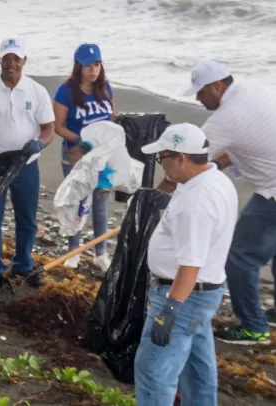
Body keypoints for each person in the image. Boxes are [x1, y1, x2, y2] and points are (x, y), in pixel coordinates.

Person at [169, 59, 276, 344]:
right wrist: (211, 168)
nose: (197, 98)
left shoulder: (224, 119)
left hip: (273, 191)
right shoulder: (251, 90)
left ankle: (254, 326)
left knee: (240, 257)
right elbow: (231, 151)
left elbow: (185, 164)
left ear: (217, 86)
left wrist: (157, 196)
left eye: (201, 91)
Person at [134, 123, 238, 406]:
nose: (161, 166)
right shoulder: (214, 180)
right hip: (205, 292)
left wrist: (169, 309)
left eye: (162, 159)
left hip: (184, 295)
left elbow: (190, 265)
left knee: (153, 371)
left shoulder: (197, 202)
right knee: (196, 371)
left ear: (180, 157)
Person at [0, 37, 55, 287]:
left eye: (16, 58)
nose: (11, 64)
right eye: (7, 58)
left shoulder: (37, 91)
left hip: (26, 165)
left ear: (24, 60)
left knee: (26, 217)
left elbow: (49, 128)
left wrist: (41, 142)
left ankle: (23, 265)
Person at [53, 43, 115, 272]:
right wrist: (82, 140)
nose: (93, 70)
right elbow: (58, 126)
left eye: (97, 64)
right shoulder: (66, 91)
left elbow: (112, 118)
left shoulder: (106, 88)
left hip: (102, 154)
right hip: (76, 152)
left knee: (100, 201)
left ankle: (100, 253)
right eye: (88, 65)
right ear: (78, 66)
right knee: (77, 200)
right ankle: (73, 251)